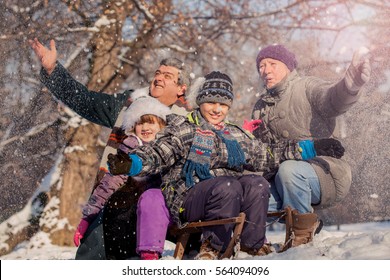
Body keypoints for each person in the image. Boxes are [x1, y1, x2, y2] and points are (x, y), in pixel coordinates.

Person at [107, 71, 344, 259]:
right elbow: (159, 153)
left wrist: (313, 147)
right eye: (211, 102)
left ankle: (252, 244)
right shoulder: (184, 128)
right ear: (200, 102)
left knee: (256, 182)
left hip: (225, 193)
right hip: (188, 198)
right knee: (227, 184)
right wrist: (131, 163)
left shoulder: (235, 135)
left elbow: (268, 154)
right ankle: (213, 245)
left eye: (223, 104)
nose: (217, 109)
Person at [28, 38, 192, 259]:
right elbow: (86, 101)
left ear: (182, 88)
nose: (159, 78)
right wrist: (53, 71)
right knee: (92, 256)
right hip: (112, 195)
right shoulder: (129, 104)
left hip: (160, 204)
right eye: (158, 72)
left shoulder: (189, 121)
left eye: (168, 76)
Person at [247, 44, 371, 249]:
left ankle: (302, 238)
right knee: (250, 192)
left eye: (272, 63)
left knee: (289, 169)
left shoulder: (306, 86)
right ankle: (250, 244)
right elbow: (261, 153)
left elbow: (332, 99)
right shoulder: (261, 107)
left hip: (325, 171)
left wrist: (351, 84)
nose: (266, 70)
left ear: (287, 66)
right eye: (261, 65)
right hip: (280, 179)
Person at [73, 92, 171, 260]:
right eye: (140, 123)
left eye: (151, 122)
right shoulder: (128, 148)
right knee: (114, 204)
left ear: (162, 125)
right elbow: (108, 184)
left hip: (163, 202)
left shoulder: (169, 147)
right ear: (133, 127)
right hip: (131, 204)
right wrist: (88, 217)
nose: (145, 127)